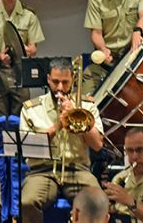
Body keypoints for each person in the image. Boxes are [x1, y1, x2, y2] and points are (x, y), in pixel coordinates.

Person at [19, 57, 104, 223]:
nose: (60, 88)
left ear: (73, 79)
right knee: (27, 202)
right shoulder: (31, 108)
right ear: (48, 79)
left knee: (98, 201)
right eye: (55, 82)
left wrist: (76, 114)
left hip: (77, 169)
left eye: (65, 82)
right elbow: (28, 149)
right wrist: (58, 124)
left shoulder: (87, 106)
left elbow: (97, 145)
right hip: (42, 170)